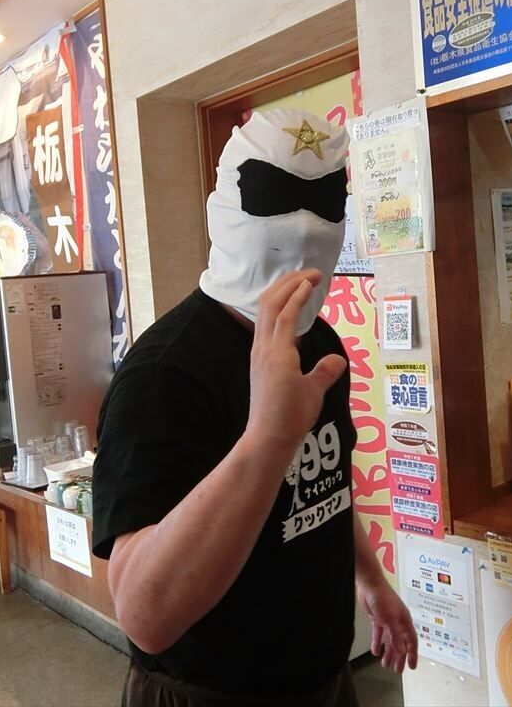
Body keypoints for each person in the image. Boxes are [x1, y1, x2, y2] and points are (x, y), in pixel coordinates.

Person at [93, 109, 417, 707]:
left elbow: (322, 488)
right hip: (209, 692)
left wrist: (371, 581)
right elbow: (143, 614)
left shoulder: (318, 342)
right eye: (277, 199)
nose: (306, 226)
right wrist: (268, 436)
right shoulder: (164, 376)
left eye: (326, 202)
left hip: (322, 677)